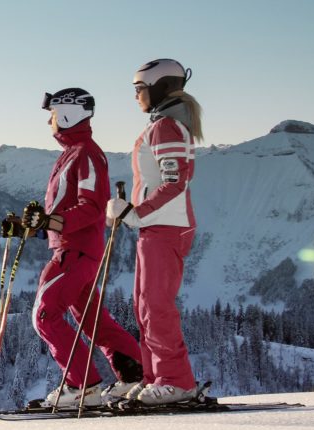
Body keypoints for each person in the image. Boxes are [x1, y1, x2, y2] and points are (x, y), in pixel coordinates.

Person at [23, 88, 145, 408]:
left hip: (74, 253)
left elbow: (91, 208)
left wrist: (49, 223)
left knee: (45, 316)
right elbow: (65, 211)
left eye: (52, 114)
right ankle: (135, 373)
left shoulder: (86, 153)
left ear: (68, 113)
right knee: (93, 320)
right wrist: (36, 226)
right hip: (75, 249)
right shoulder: (74, 152)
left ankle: (82, 387)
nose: (49, 120)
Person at [107, 59, 204, 405]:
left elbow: (175, 182)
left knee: (157, 306)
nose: (135, 96)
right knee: (145, 306)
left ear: (159, 88)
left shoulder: (166, 127)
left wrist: (135, 212)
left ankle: (175, 381)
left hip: (166, 226)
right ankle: (156, 378)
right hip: (156, 227)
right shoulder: (163, 126)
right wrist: (136, 215)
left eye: (139, 89)